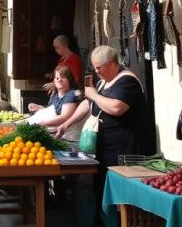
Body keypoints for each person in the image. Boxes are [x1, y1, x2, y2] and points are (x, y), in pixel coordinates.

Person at [56, 45, 152, 227]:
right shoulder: (103, 81)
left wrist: (94, 95)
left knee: (119, 196)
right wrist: (67, 123)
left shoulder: (127, 81)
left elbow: (117, 108)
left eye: (99, 67)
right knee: (101, 189)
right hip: (106, 147)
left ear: (111, 64)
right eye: (94, 67)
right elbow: (88, 103)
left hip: (124, 150)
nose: (96, 71)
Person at [27, 66, 84, 139]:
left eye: (63, 77)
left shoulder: (71, 94)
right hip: (55, 132)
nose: (59, 80)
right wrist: (39, 107)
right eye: (57, 78)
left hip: (67, 135)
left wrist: (42, 123)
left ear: (69, 80)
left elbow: (64, 118)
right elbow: (53, 111)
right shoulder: (55, 94)